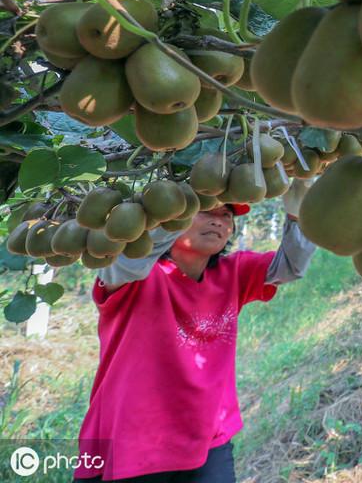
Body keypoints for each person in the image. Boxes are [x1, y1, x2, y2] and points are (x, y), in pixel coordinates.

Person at [76, 181, 316, 482]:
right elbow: (119, 267)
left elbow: (289, 267)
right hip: (128, 440)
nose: (218, 219)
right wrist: (169, 209)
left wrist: (300, 214)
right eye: (206, 211)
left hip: (207, 440)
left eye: (227, 214)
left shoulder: (234, 274)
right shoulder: (138, 276)